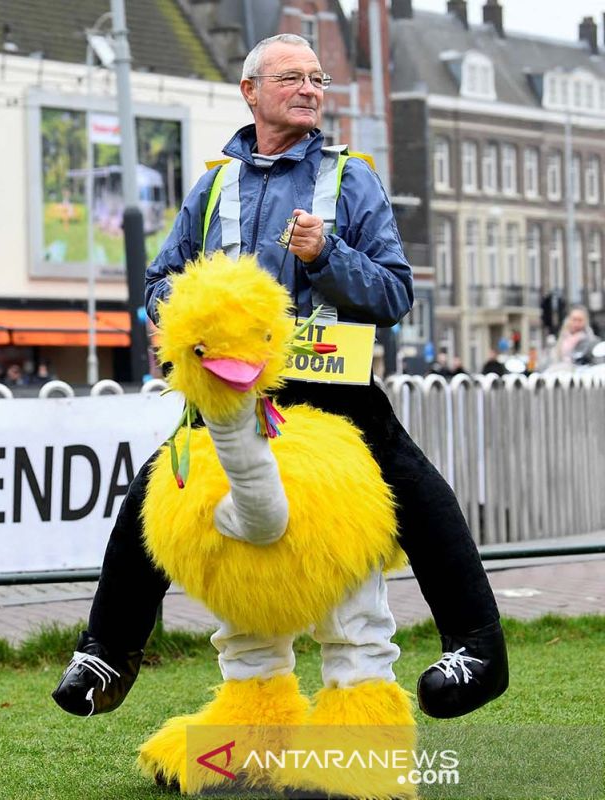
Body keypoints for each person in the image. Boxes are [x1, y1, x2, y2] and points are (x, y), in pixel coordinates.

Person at [52, 33, 506, 721]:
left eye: (317, 79)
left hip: (332, 388)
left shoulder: (351, 178)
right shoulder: (212, 186)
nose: (310, 89)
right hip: (234, 393)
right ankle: (106, 653)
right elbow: (157, 281)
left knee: (414, 485)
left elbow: (394, 294)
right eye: (292, 77)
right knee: (151, 492)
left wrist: (327, 254)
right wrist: (172, 311)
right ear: (251, 92)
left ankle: (476, 647)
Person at [546, 305, 599, 369]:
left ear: (585, 321)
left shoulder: (592, 342)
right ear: (569, 320)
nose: (576, 323)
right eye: (574, 319)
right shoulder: (561, 339)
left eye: (580, 320)